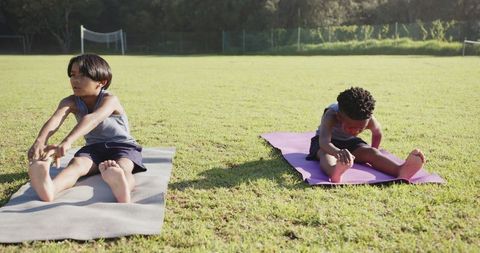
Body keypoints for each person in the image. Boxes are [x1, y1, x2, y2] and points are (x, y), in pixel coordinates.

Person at [27, 54, 145, 203]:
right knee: (76, 165)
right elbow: (56, 119)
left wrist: (68, 141)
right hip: (93, 149)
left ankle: (122, 188)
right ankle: (50, 188)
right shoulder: (70, 101)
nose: (75, 80)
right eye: (72, 75)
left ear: (102, 82)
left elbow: (93, 119)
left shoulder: (110, 100)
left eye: (82, 76)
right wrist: (40, 141)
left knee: (123, 167)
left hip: (123, 146)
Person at [307, 87, 425, 183]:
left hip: (351, 142)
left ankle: (400, 170)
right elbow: (324, 142)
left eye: (360, 128)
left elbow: (377, 133)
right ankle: (335, 171)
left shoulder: (369, 119)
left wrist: (374, 152)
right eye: (351, 127)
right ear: (339, 117)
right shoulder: (331, 115)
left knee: (371, 153)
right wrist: (337, 152)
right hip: (327, 142)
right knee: (326, 155)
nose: (355, 131)